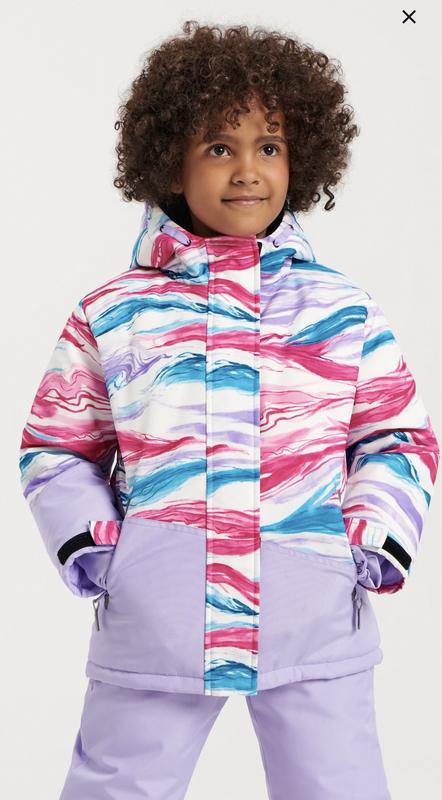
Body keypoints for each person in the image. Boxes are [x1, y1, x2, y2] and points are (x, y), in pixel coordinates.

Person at [18, 19, 440, 800]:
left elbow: (397, 437)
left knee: (338, 787)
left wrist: (371, 538)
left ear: (300, 159)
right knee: (118, 787)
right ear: (169, 163)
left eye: (268, 146)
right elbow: (58, 446)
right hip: (159, 618)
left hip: (312, 613)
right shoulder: (113, 313)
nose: (248, 170)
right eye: (219, 147)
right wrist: (99, 550)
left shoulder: (342, 311)